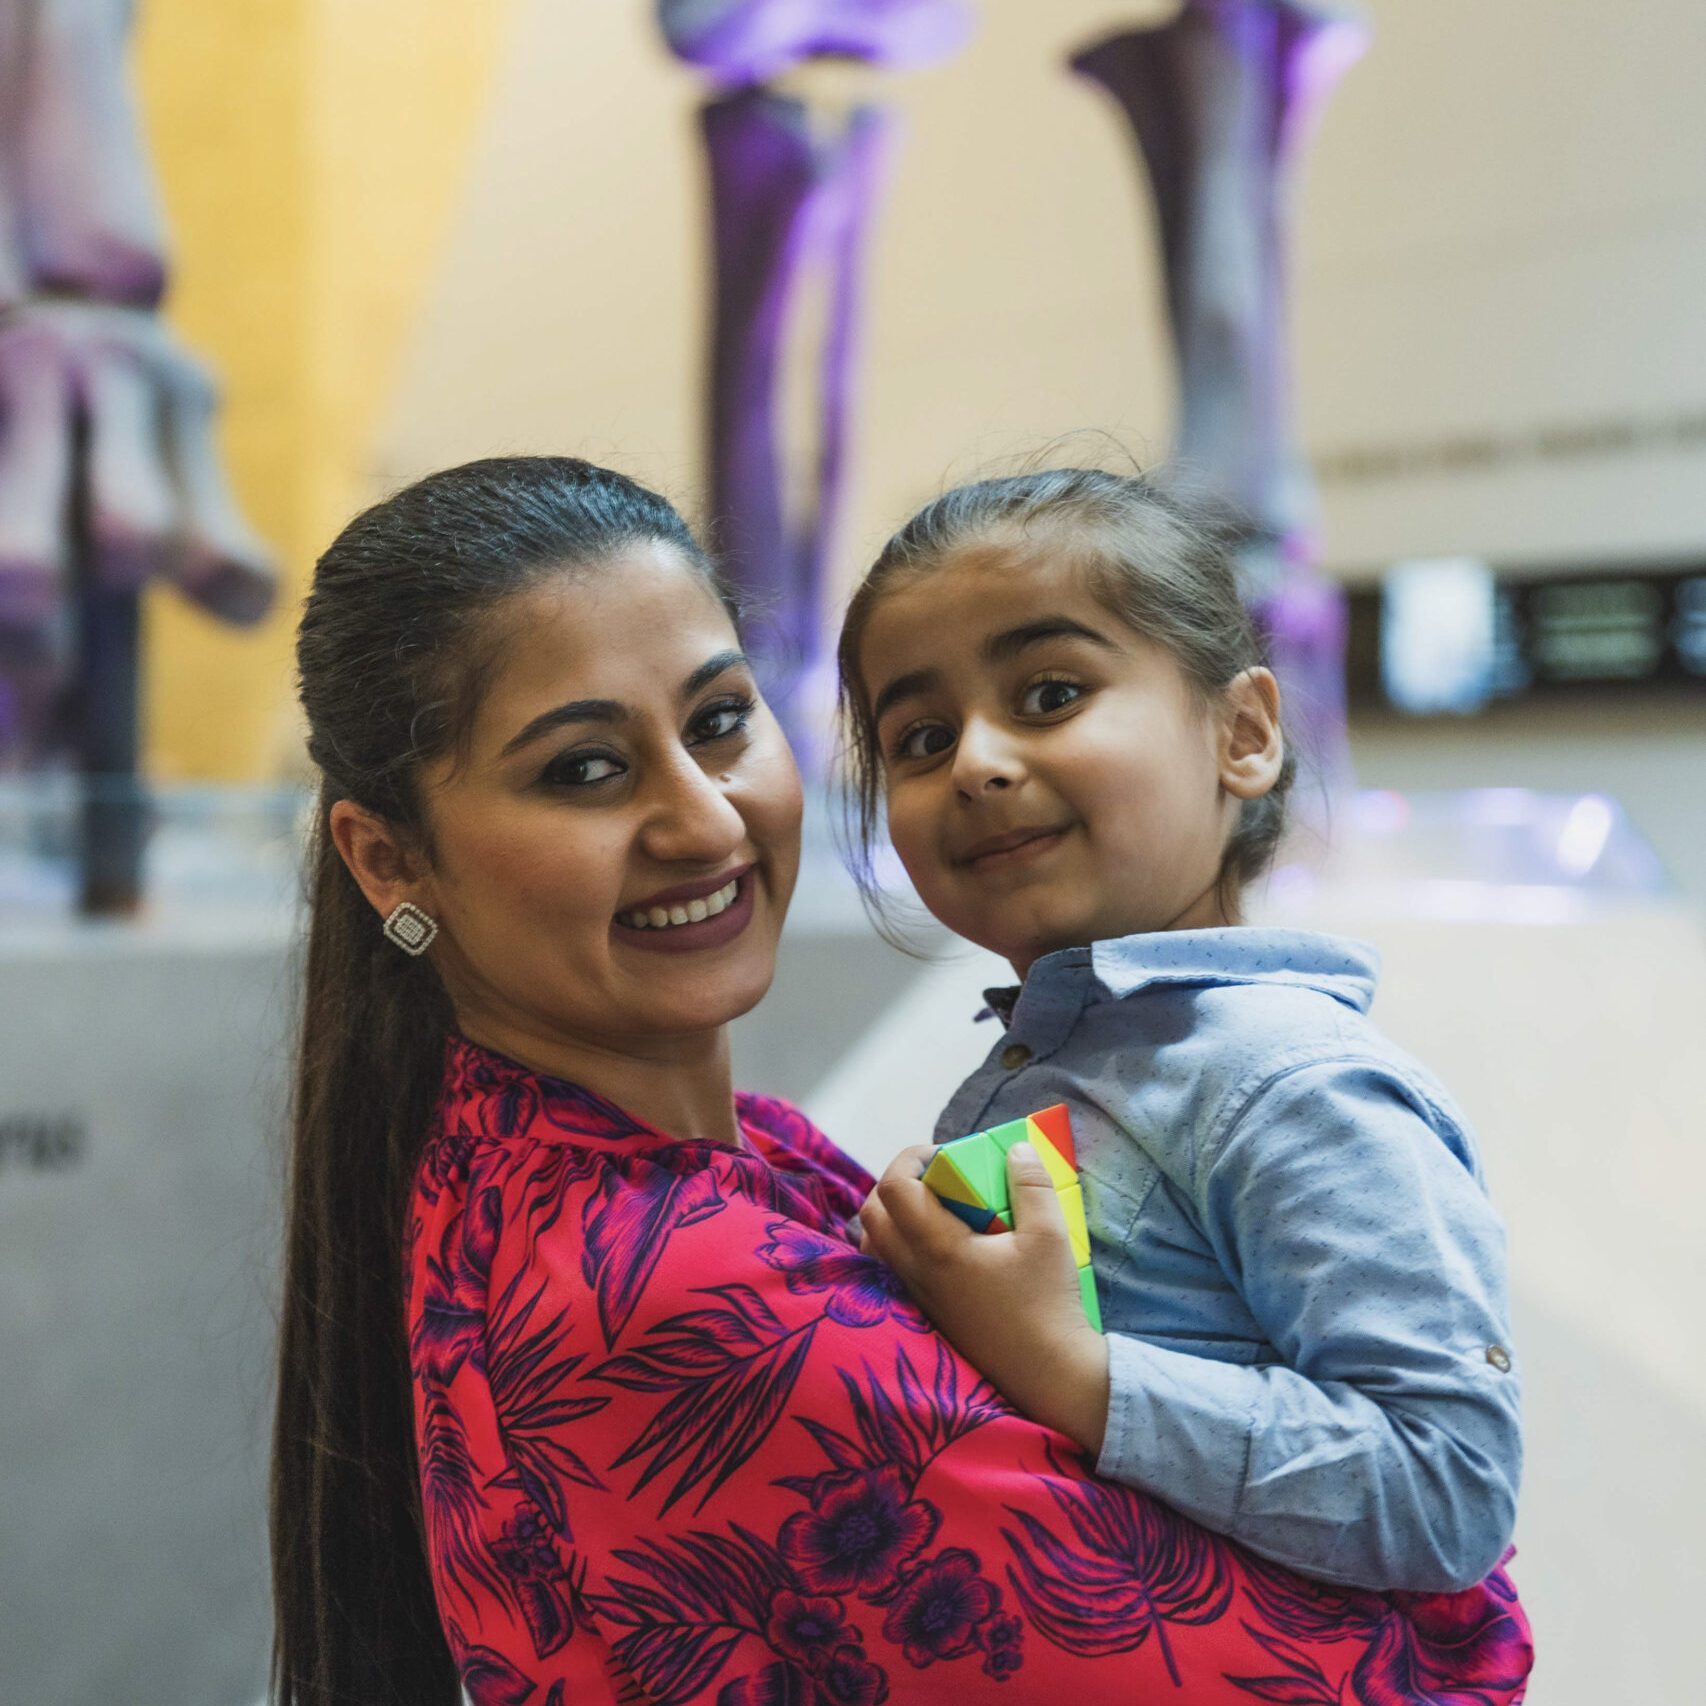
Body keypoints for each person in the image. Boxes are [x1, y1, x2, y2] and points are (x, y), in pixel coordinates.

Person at [271, 455, 1534, 1704]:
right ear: (390, 861)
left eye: (718, 721)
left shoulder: (716, 1160)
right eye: (584, 768)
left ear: (1243, 730)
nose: (704, 821)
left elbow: (1444, 1476)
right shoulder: (677, 1286)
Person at [840, 467, 1527, 1601]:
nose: (974, 761)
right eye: (916, 736)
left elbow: (1444, 1484)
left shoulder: (1291, 1083)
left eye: (1049, 692)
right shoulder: (1058, 1054)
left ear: (1241, 733)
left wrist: (1075, 1370)